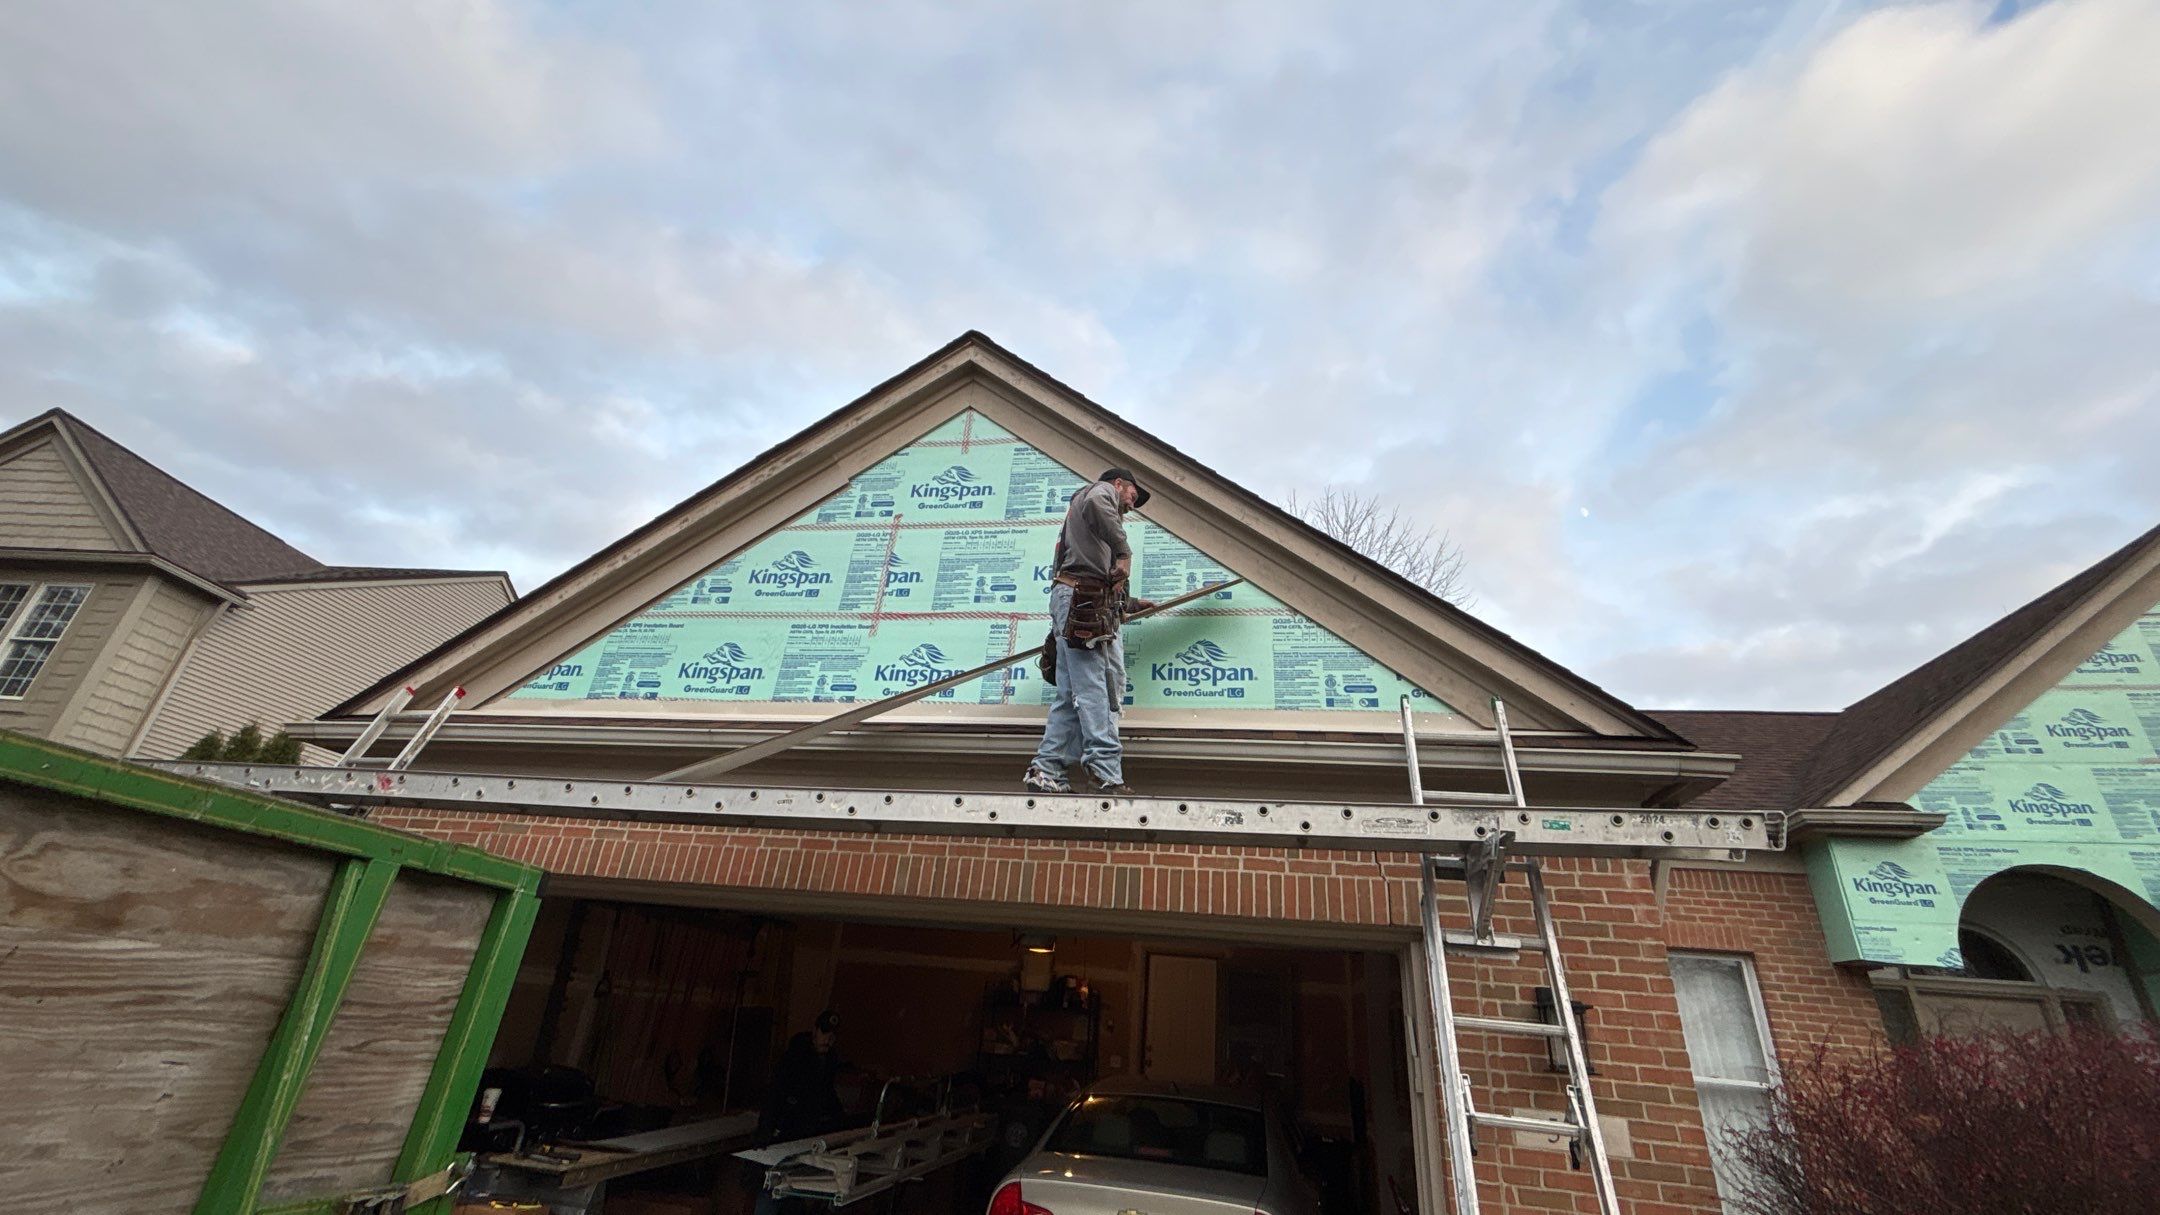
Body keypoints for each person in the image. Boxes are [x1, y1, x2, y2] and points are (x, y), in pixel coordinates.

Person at [1024, 468, 1157, 795]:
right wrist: (1125, 552)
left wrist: (1130, 604)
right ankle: (1105, 770)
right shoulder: (1098, 494)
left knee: (1072, 695)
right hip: (1082, 601)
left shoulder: (1092, 525)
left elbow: (1098, 571)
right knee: (1101, 687)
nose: (1131, 504)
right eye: (1132, 496)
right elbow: (1100, 501)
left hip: (1079, 600)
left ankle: (1047, 768)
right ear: (1118, 484)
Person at [753, 1010, 845, 1214]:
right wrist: (766, 1133)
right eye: (824, 1033)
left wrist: (842, 1123)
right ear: (815, 1031)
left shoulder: (828, 1062)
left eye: (832, 1036)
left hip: (804, 1136)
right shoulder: (795, 1058)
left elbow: (827, 1095)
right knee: (772, 1186)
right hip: (783, 1134)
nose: (828, 1040)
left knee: (794, 1190)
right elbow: (775, 1096)